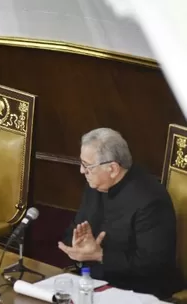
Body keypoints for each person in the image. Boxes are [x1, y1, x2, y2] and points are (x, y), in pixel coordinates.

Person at [58, 128, 181, 299]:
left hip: (138, 292)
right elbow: (74, 229)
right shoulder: (95, 186)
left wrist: (100, 255)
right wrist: (77, 249)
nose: (81, 171)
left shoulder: (151, 200)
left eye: (87, 166)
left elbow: (153, 264)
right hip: (95, 283)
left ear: (113, 169)